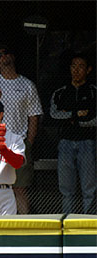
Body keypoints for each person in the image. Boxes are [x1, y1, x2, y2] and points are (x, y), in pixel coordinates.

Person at [0, 45, 43, 214]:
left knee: (20, 188)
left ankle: (25, 227)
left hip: (19, 142)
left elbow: (34, 116)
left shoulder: (27, 85)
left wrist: (29, 142)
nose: (1, 57)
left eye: (4, 53)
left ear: (12, 56)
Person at [50, 53, 96, 214]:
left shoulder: (93, 92)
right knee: (66, 188)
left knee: (89, 188)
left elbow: (94, 119)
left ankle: (88, 223)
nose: (76, 70)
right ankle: (67, 220)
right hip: (65, 143)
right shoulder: (60, 92)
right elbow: (54, 115)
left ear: (88, 70)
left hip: (88, 142)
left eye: (81, 66)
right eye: (73, 66)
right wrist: (78, 114)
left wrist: (69, 115)